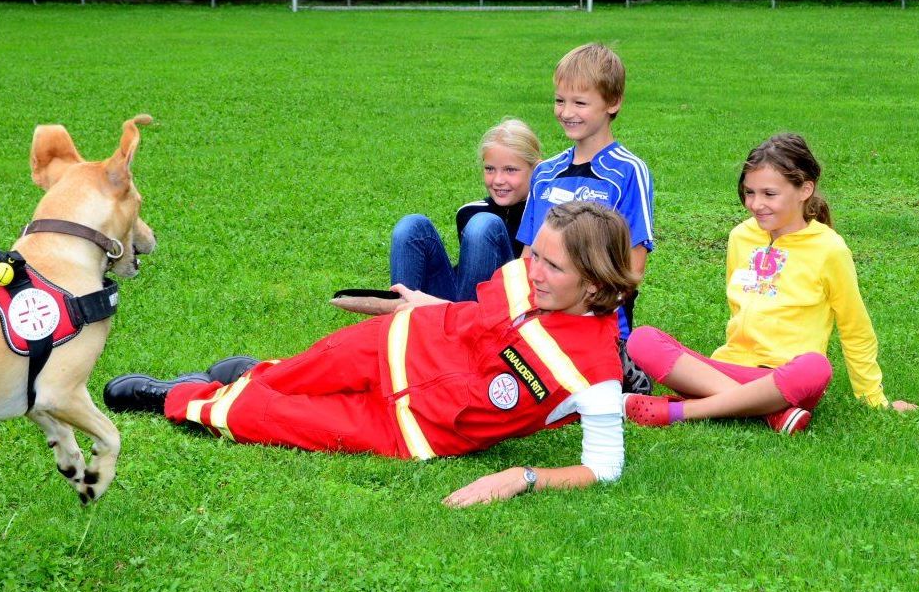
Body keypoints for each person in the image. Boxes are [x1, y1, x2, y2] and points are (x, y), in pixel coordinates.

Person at [104, 202, 639, 507]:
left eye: (553, 266)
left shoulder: (595, 374)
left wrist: (520, 477)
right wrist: (415, 305)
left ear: (594, 284)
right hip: (396, 344)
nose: (534, 270)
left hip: (408, 428)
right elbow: (477, 319)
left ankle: (179, 397)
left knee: (265, 416)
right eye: (534, 254)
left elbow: (605, 468)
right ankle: (254, 373)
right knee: (292, 376)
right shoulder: (531, 272)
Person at [623, 132, 919, 435]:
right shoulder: (741, 236)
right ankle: (771, 413)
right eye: (749, 192)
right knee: (642, 340)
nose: (756, 204)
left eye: (769, 194)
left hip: (786, 378)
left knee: (816, 367)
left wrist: (873, 399)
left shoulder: (829, 249)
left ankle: (680, 411)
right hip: (730, 368)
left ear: (805, 190)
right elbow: (737, 309)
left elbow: (855, 328)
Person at [515, 42, 655, 388]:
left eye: (579, 103)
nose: (566, 112)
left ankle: (617, 361)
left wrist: (586, 308)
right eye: (559, 100)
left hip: (599, 322)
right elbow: (527, 259)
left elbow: (633, 267)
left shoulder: (628, 171)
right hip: (540, 318)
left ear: (613, 102)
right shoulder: (545, 173)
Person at [389, 118, 541, 302]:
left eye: (510, 170)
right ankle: (400, 312)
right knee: (411, 226)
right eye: (490, 169)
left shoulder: (545, 216)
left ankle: (466, 320)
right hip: (459, 300)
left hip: (507, 304)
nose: (498, 180)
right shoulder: (469, 212)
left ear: (537, 169)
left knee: (484, 224)